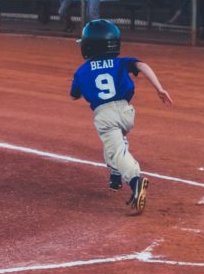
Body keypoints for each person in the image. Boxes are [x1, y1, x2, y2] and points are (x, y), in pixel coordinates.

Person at [70, 19, 173, 214]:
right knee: (116, 144)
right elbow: (142, 65)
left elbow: (74, 95)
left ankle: (135, 181)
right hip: (127, 112)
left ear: (89, 46)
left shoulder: (82, 71)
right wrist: (159, 88)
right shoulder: (120, 61)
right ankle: (116, 176)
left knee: (117, 151)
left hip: (105, 115)